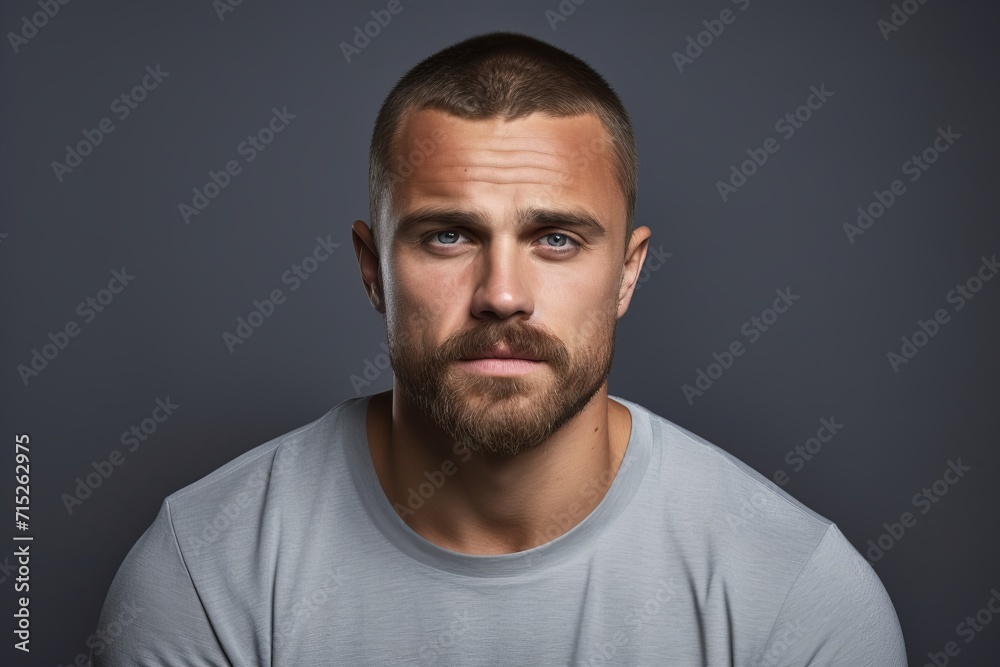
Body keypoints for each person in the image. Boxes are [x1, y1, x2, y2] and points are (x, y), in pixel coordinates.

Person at [93, 32, 907, 666]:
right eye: (448, 235)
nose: (503, 293)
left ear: (627, 273)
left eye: (556, 238)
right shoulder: (207, 572)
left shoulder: (795, 593)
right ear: (372, 271)